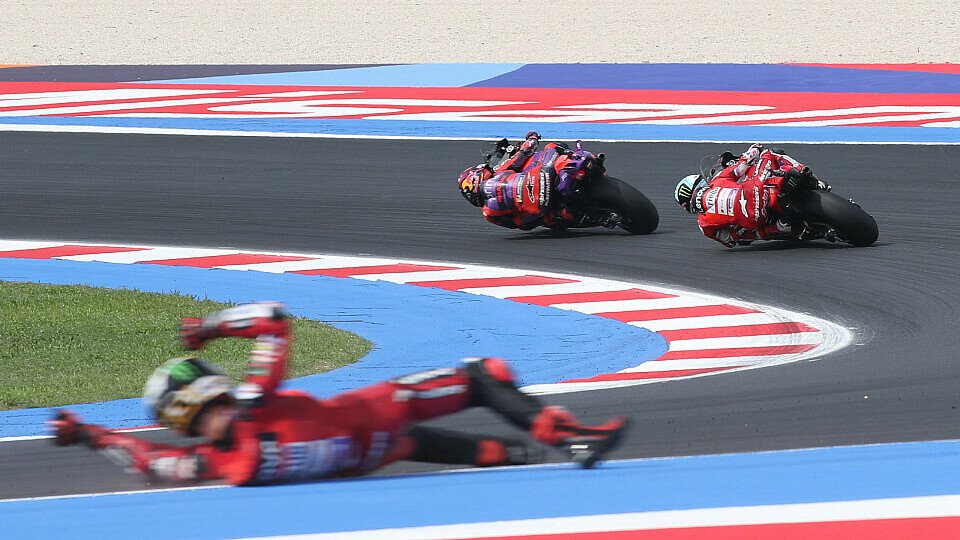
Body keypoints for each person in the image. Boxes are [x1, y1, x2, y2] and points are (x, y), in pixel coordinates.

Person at [50, 302, 628, 485]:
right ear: (208, 385)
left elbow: (148, 461)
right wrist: (210, 327)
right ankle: (567, 438)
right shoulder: (256, 401)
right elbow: (274, 319)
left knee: (457, 449)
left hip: (371, 455)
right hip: (376, 415)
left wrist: (87, 434)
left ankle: (523, 455)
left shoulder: (219, 464)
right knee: (484, 371)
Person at [673, 144, 829, 247]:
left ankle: (782, 226)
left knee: (745, 234)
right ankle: (809, 175)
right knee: (770, 152)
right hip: (756, 190)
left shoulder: (703, 225)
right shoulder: (718, 179)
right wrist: (754, 149)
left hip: (755, 218)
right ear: (700, 183)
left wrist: (768, 229)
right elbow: (745, 163)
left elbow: (730, 240)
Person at [457, 131, 589, 230]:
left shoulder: (488, 214)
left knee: (555, 219)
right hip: (546, 204)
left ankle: (579, 163)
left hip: (544, 207)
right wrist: (532, 137)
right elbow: (524, 151)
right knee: (552, 147)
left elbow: (518, 225)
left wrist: (534, 216)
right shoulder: (499, 173)